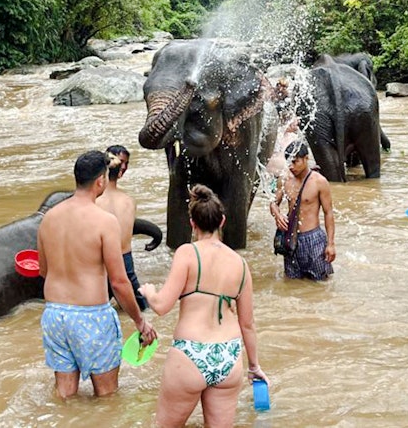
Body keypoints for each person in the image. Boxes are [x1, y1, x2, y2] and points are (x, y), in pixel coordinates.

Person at [139, 184, 267, 428]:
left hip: (191, 353)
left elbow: (162, 306)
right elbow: (248, 324)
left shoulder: (187, 253)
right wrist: (254, 367)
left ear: (192, 223)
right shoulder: (240, 264)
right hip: (229, 357)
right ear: (223, 221)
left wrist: (149, 292)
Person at [37, 150, 156, 399]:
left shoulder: (49, 218)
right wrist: (139, 321)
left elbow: (43, 271)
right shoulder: (105, 221)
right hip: (91, 317)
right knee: (106, 396)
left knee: (65, 395)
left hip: (55, 315)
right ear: (100, 181)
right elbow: (120, 282)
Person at [270, 140, 335, 280]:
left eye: (295, 162)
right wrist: (277, 215)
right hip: (291, 239)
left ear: (306, 158)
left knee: (321, 283)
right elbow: (274, 203)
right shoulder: (285, 179)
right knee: (291, 283)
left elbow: (328, 213)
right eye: (289, 162)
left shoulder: (319, 182)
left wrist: (330, 244)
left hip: (314, 239)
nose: (292, 166)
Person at [97, 145, 148, 310]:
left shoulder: (93, 201)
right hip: (126, 268)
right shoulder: (129, 201)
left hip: (101, 265)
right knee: (143, 312)